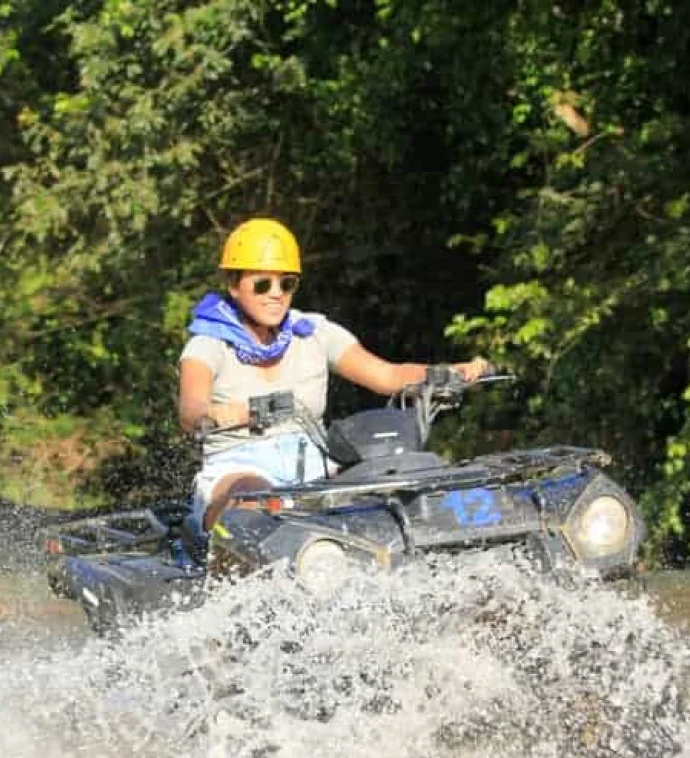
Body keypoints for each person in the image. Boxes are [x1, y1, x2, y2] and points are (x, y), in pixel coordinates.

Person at [179, 217, 491, 536]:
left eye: (286, 284)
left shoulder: (312, 332)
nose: (276, 294)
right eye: (262, 284)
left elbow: (387, 374)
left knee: (405, 476)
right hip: (239, 468)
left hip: (316, 465)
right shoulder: (208, 343)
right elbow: (190, 409)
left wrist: (447, 373)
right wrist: (214, 413)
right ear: (234, 285)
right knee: (254, 500)